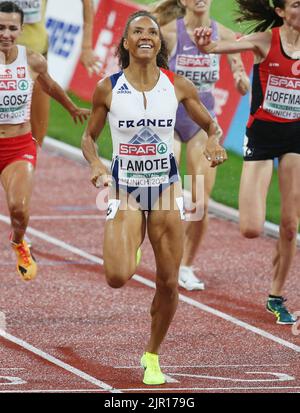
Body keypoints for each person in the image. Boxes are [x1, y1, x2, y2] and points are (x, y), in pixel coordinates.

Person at [81, 10, 227, 385]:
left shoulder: (177, 85)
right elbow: (89, 137)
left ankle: (152, 354)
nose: (146, 36)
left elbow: (210, 122)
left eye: (151, 31)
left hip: (165, 188)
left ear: (159, 43)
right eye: (137, 32)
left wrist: (213, 139)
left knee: (168, 282)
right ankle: (132, 245)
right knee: (116, 277)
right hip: (126, 189)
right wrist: (96, 164)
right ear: (126, 43)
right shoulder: (108, 88)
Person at [194, 0, 299, 324]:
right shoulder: (267, 40)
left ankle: (276, 295)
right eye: (297, 4)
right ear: (281, 12)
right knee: (251, 228)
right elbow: (220, 46)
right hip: (262, 137)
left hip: (295, 137)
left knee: (290, 224)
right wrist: (205, 43)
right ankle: (276, 261)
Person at [151, 0, 250, 291]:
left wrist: (241, 79)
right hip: (170, 119)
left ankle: (186, 266)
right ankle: (142, 242)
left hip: (203, 124)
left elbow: (239, 74)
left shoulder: (227, 36)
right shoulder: (167, 32)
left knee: (200, 204)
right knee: (164, 195)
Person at [0, 2, 90, 281]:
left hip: (17, 147)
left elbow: (50, 85)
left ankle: (19, 242)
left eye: (12, 28)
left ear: (21, 29)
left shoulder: (33, 60)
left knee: (19, 209)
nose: (6, 34)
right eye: (0, 27)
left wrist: (72, 107)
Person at [0, 0, 100, 146]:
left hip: (34, 58)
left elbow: (87, 2)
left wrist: (86, 46)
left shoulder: (35, 62)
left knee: (36, 137)